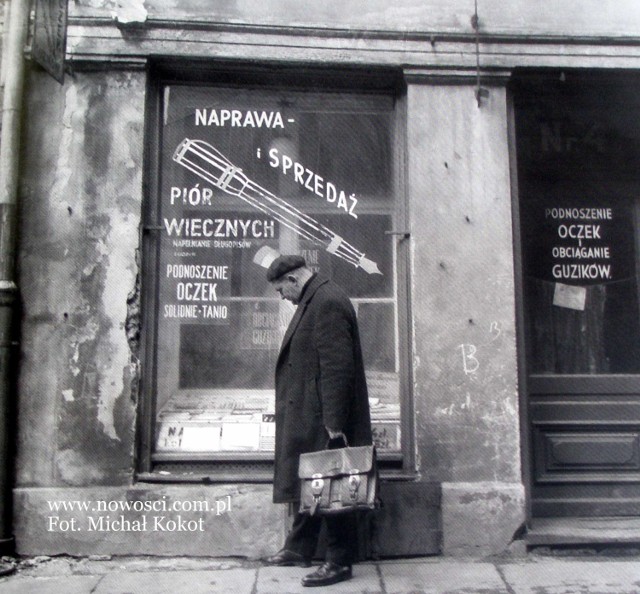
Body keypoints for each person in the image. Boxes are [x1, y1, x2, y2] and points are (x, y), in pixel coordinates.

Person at [263, 254, 372, 588]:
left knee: (333, 485)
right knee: (315, 481)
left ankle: (339, 561)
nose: (282, 297)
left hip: (326, 416)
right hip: (314, 410)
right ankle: (299, 547)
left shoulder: (327, 302)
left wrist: (335, 423)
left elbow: (337, 366)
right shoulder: (317, 298)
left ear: (295, 279)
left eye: (282, 290)